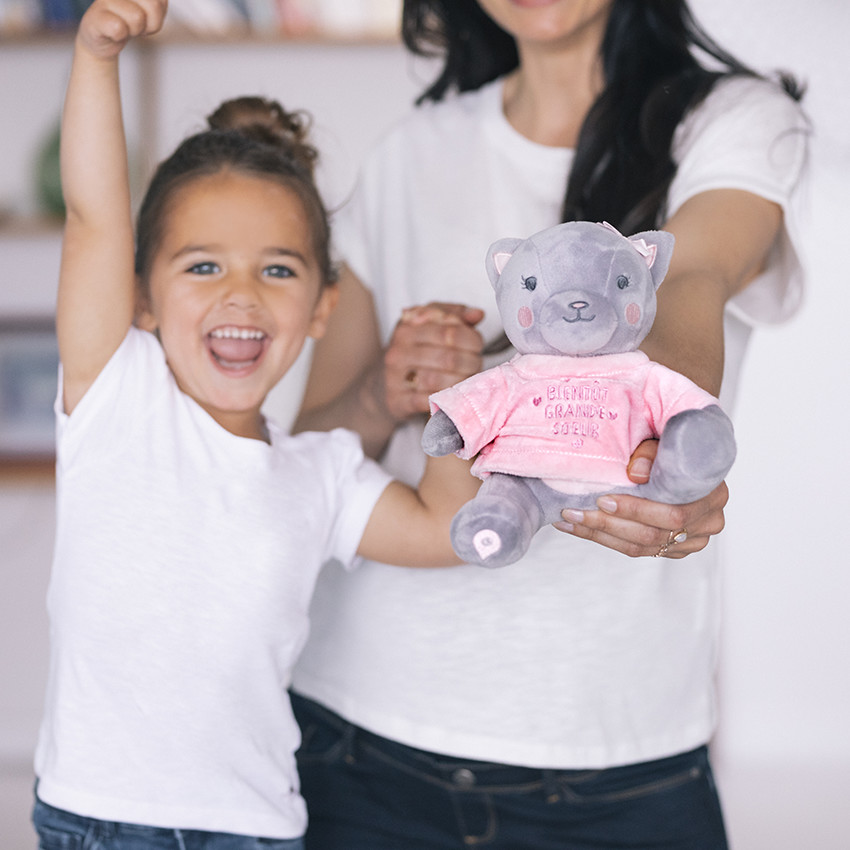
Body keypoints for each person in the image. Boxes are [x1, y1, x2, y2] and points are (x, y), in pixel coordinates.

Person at [289, 1, 809, 848]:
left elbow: (695, 275)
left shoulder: (731, 124)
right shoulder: (408, 152)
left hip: (617, 762)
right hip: (359, 740)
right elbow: (318, 439)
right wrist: (391, 395)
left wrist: (657, 459)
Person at [30, 1, 478, 848]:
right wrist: (95, 54)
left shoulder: (322, 473)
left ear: (321, 308)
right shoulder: (116, 397)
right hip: (99, 821)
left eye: (278, 269)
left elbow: (450, 530)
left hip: (255, 828)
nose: (240, 293)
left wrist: (452, 400)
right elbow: (95, 218)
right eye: (202, 266)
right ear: (140, 297)